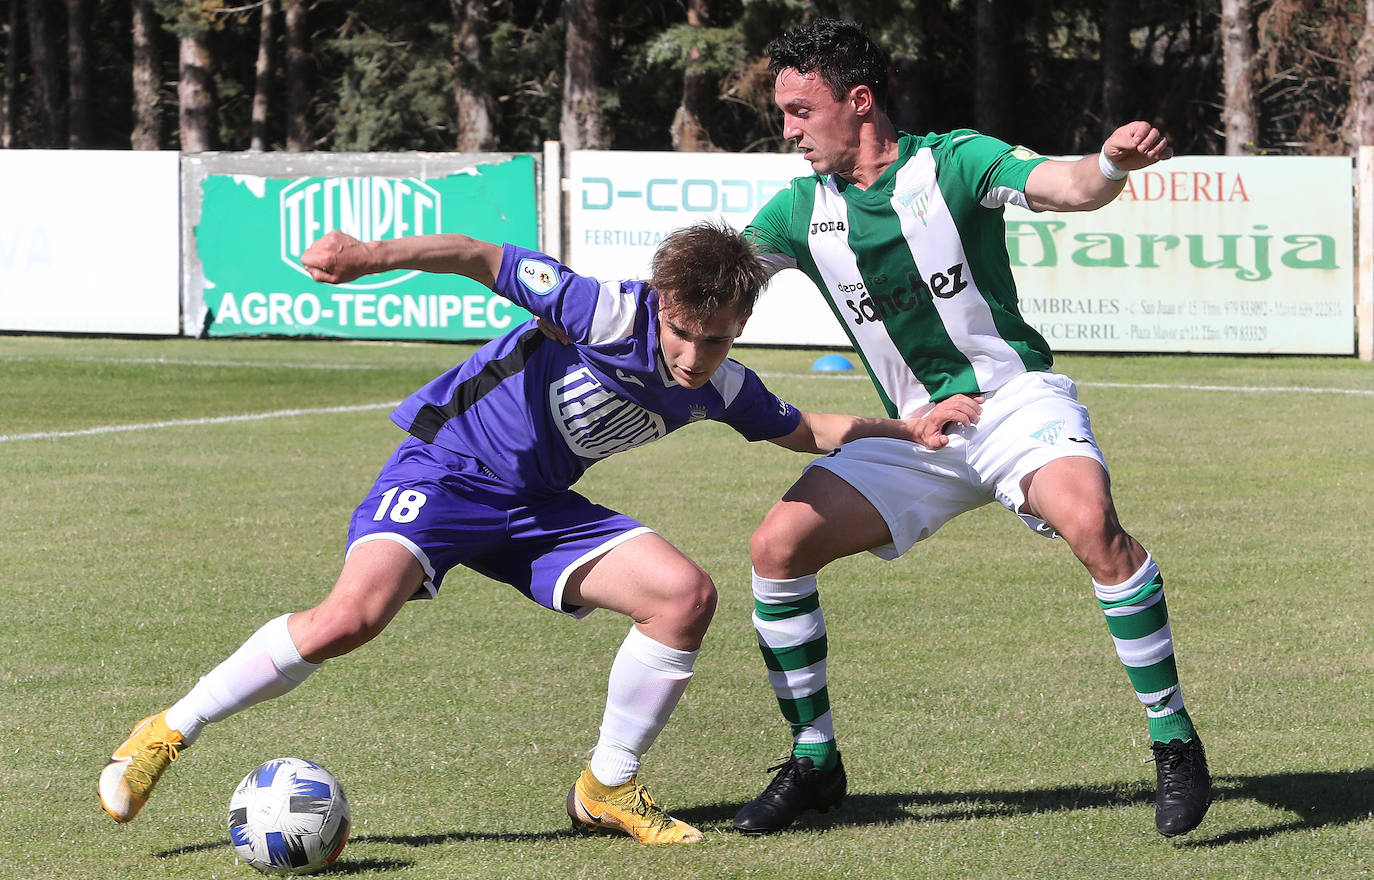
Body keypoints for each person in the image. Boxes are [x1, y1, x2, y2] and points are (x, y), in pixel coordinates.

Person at [98, 220, 975, 845]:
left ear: (739, 327)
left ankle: (607, 786)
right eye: (682, 332)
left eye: (714, 341)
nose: (692, 356)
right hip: (446, 470)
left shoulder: (721, 385)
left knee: (683, 596)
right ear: (661, 302)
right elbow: (479, 256)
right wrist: (369, 258)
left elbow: (807, 427)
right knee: (350, 619)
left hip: (535, 508)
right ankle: (166, 730)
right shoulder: (600, 311)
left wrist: (909, 427)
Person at [731, 18, 1212, 839]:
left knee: (1090, 521)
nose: (788, 131)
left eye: (801, 111)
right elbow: (720, 279)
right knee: (777, 547)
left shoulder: (952, 161)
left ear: (859, 100)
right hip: (913, 434)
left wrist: (1107, 164)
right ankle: (814, 760)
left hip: (1010, 403)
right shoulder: (798, 211)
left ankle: (1173, 737)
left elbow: (1065, 186)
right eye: (784, 114)